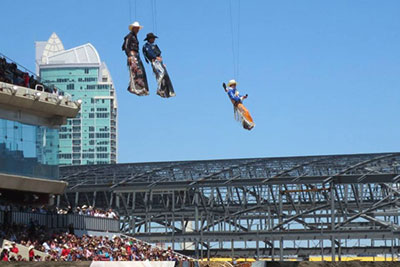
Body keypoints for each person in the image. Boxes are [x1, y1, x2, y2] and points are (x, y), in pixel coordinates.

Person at [142, 33, 175, 98]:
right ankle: (160, 89)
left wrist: (162, 62)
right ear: (149, 39)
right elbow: (149, 54)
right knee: (161, 74)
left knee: (163, 75)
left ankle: (163, 90)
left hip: (159, 62)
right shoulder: (146, 46)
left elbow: (159, 54)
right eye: (153, 38)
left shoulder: (153, 46)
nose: (154, 39)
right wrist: (156, 57)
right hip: (155, 61)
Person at [122, 21, 149, 96]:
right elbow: (126, 46)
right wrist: (129, 55)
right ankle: (135, 88)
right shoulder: (129, 36)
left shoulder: (134, 36)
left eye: (138, 29)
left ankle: (140, 88)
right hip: (132, 55)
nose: (137, 30)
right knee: (136, 71)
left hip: (136, 55)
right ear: (133, 28)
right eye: (136, 28)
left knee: (140, 71)